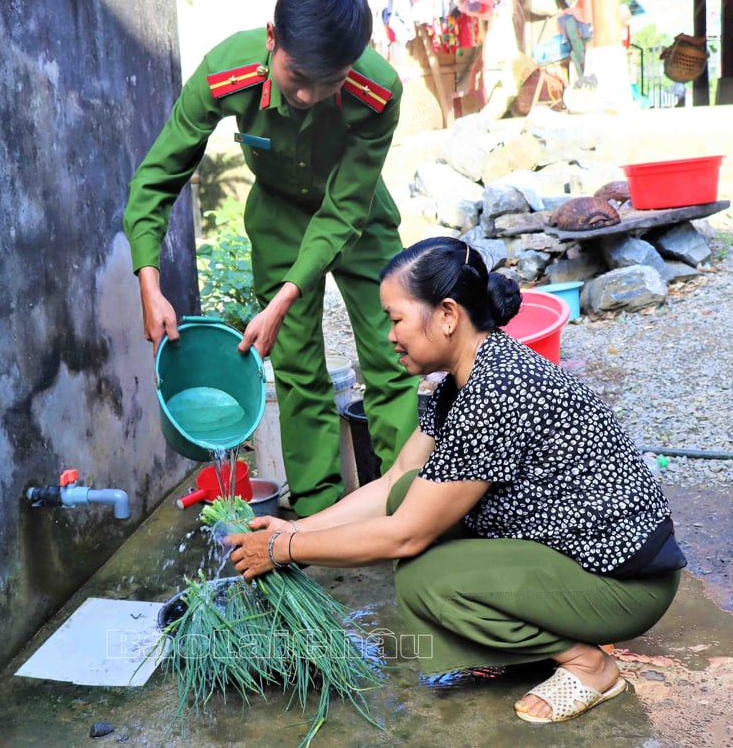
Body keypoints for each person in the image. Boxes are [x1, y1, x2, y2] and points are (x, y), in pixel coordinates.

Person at [227, 237, 684, 723]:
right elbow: (398, 478)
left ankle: (588, 665)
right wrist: (296, 529)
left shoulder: (495, 390)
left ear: (447, 314)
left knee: (428, 580)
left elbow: (405, 535)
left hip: (625, 586)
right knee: (409, 494)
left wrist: (283, 551)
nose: (389, 335)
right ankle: (549, 633)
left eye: (396, 318)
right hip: (579, 558)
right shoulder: (462, 381)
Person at [123, 0, 419, 516]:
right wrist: (149, 278)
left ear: (352, 65)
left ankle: (409, 511)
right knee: (298, 369)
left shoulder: (379, 91)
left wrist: (284, 297)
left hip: (357, 217)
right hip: (279, 217)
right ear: (271, 39)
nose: (308, 96)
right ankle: (316, 517)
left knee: (393, 354)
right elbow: (158, 176)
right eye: (297, 76)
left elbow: (343, 208)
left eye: (327, 82)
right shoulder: (224, 72)